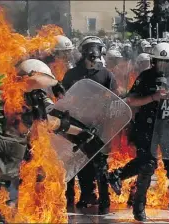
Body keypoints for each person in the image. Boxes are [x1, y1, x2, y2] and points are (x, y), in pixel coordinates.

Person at [109, 43, 169, 223]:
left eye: (168, 63)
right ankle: (138, 207)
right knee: (147, 166)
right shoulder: (145, 77)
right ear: (154, 62)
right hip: (147, 128)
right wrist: (153, 97)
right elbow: (130, 100)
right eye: (161, 63)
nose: (164, 67)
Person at [0, 59, 68, 207]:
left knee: (7, 198)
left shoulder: (24, 94)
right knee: (5, 198)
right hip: (6, 150)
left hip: (11, 151)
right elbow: (42, 123)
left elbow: (39, 123)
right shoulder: (11, 94)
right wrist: (62, 124)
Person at [62, 36, 119, 215]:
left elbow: (115, 98)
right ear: (84, 52)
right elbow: (64, 99)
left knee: (100, 164)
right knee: (81, 163)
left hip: (99, 125)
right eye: (90, 49)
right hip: (78, 125)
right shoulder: (71, 74)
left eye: (97, 48)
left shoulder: (106, 74)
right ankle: (87, 195)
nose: (94, 52)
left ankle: (104, 200)